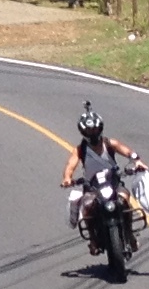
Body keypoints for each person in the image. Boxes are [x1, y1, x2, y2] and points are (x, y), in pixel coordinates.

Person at [58, 104, 144, 247]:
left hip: (114, 185)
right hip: (92, 188)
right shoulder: (80, 150)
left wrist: (137, 160)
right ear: (83, 131)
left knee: (124, 200)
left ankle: (129, 234)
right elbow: (70, 166)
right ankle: (93, 239)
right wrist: (67, 178)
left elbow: (127, 151)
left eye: (95, 129)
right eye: (89, 130)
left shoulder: (110, 143)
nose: (92, 133)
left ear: (100, 128)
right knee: (86, 207)